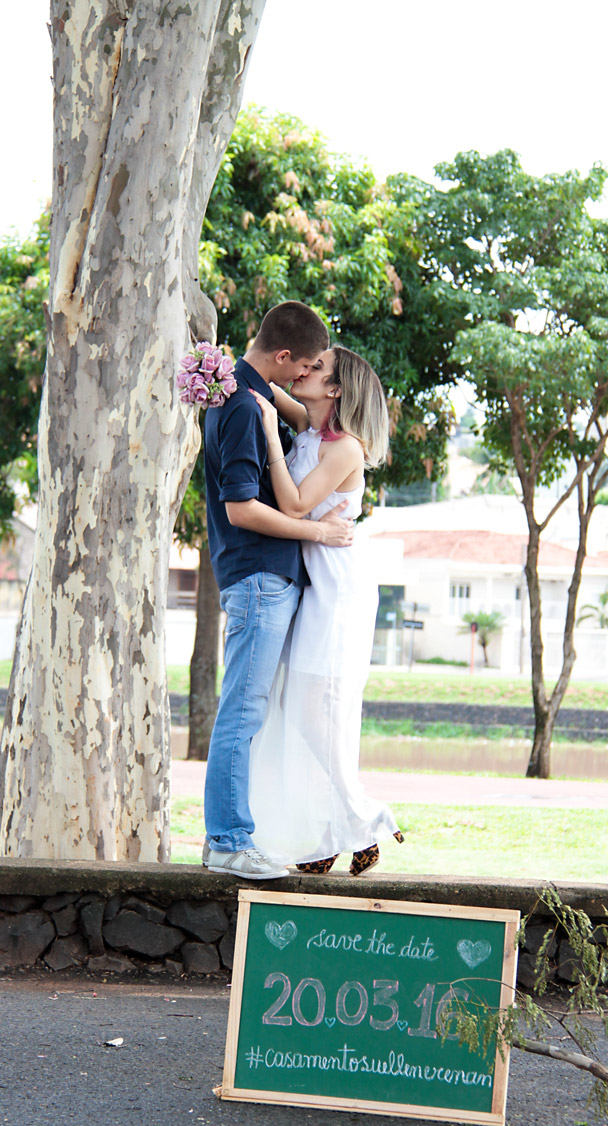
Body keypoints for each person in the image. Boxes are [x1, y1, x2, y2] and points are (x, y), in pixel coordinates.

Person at [202, 302, 355, 880]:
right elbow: (241, 509)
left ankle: (231, 835)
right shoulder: (243, 404)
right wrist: (319, 531)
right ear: (285, 356)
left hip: (263, 577)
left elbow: (307, 423)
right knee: (242, 712)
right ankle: (228, 840)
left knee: (252, 711)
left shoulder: (245, 393)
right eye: (306, 366)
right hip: (259, 578)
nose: (305, 376)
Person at [248, 345, 403, 875]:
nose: (305, 369)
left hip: (338, 588)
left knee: (318, 708)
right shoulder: (310, 428)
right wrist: (219, 370)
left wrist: (270, 435)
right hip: (315, 582)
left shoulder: (345, 448)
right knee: (301, 707)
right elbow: (266, 384)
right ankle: (344, 825)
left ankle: (356, 821)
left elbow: (293, 504)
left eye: (317, 368)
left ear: (336, 389)